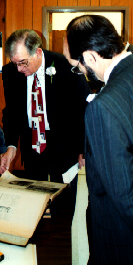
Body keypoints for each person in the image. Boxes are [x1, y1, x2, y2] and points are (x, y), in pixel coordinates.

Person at [65, 14, 133, 264]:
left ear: (91, 57)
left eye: (78, 65)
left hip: (119, 236)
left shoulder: (103, 107)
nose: (80, 72)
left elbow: (125, 196)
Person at [0, 29, 90, 184]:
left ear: (38, 52)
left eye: (23, 62)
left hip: (64, 145)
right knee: (35, 197)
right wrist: (11, 146)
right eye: (14, 63)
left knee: (64, 199)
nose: (19, 69)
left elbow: (83, 108)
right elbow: (11, 112)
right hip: (32, 145)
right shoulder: (10, 73)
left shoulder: (66, 66)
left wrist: (83, 148)